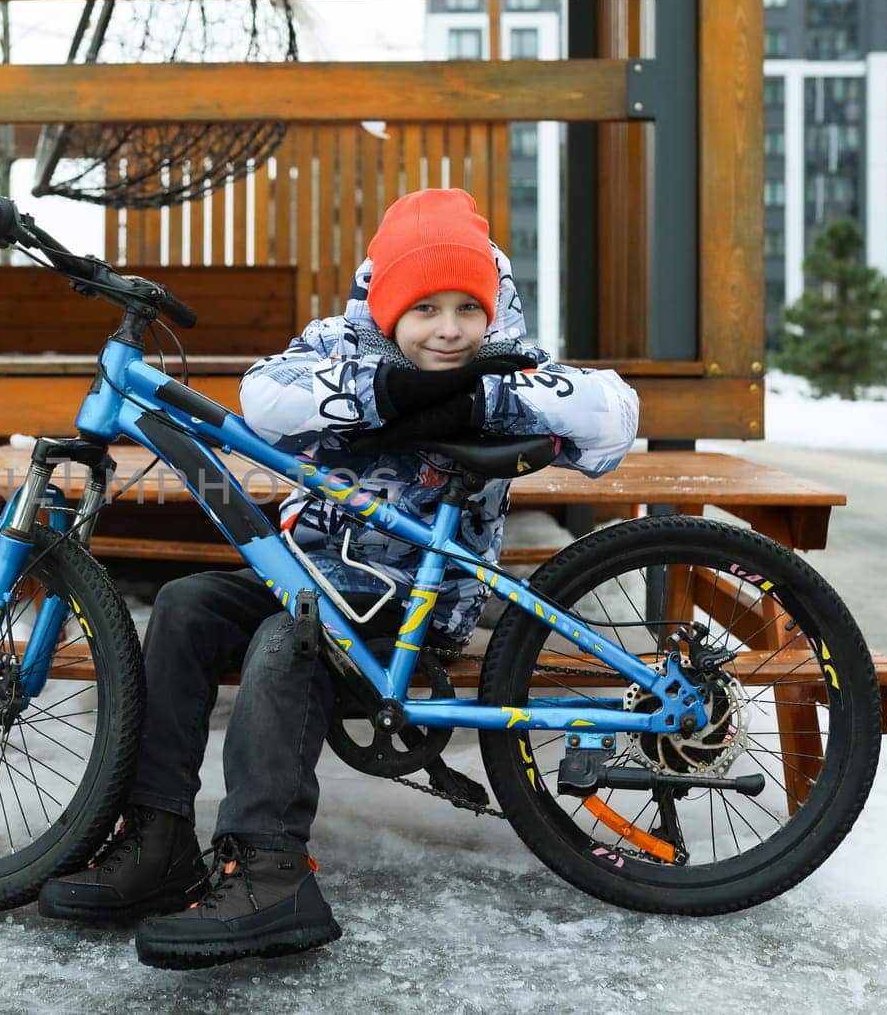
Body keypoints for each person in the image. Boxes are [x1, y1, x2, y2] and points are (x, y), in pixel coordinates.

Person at [38, 188, 640, 968]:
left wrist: (476, 396)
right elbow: (264, 396)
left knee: (290, 633)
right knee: (187, 606)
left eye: (467, 307)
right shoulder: (340, 344)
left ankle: (269, 866)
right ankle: (156, 833)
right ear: (387, 307)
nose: (450, 327)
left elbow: (615, 412)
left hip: (407, 601)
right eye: (424, 308)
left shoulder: (507, 361)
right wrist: (384, 392)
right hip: (307, 566)